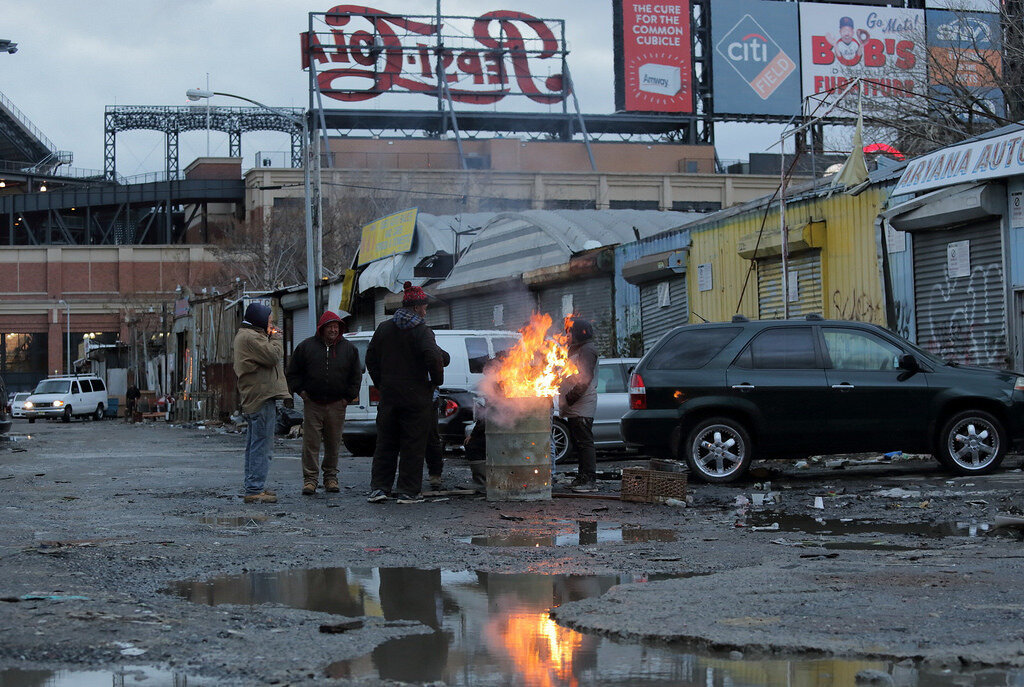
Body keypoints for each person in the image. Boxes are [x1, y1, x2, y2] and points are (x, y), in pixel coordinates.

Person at [365, 281, 445, 504]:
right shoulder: (421, 330)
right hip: (416, 398)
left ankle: (379, 488)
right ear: (418, 307)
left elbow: (370, 358)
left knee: (386, 443)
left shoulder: (384, 328)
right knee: (413, 444)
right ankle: (408, 491)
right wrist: (435, 383)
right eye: (425, 307)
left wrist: (382, 383)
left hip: (389, 397)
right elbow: (434, 357)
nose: (426, 310)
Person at [286, 310, 361, 496]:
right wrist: (301, 392)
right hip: (313, 404)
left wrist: (348, 398)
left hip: (337, 404)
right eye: (330, 327)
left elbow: (356, 376)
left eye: (336, 327)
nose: (334, 330)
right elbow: (293, 373)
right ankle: (310, 480)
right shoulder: (306, 347)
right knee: (310, 444)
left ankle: (331, 479)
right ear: (322, 328)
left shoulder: (349, 349)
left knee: (333, 443)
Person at [233, 302, 290, 504]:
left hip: (257, 396)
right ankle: (254, 488)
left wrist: (269, 335)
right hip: (261, 396)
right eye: (268, 320)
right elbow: (273, 356)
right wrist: (275, 337)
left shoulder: (249, 335)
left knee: (255, 444)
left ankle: (254, 486)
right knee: (262, 446)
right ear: (258, 319)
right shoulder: (250, 337)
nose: (271, 324)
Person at [558, 317, 599, 493]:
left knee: (584, 442)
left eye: (570, 332)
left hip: (582, 402)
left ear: (578, 333)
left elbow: (585, 379)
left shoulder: (587, 350)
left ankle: (589, 480)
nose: (567, 335)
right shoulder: (578, 349)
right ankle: (582, 477)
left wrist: (570, 398)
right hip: (575, 403)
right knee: (579, 442)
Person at [424, 348, 451, 491]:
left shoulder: (428, 344)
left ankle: (435, 475)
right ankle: (432, 475)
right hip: (415, 398)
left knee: (431, 438)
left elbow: (445, 358)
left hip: (428, 399)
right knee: (429, 439)